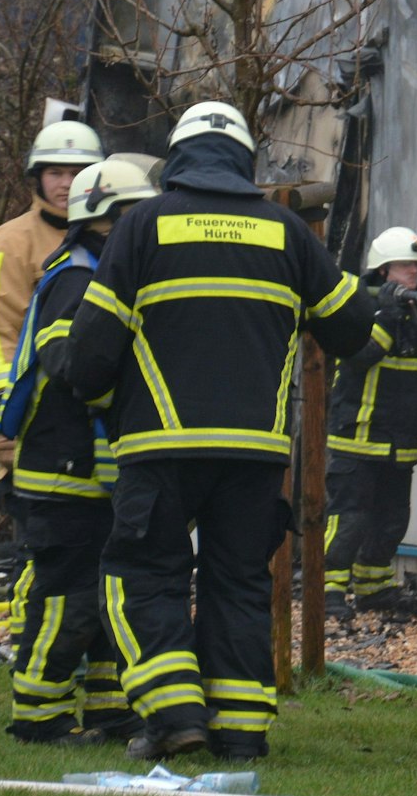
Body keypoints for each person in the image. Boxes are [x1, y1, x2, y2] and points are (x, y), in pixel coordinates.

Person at [55, 100, 374, 761]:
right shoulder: (288, 233)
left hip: (158, 446)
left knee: (143, 574)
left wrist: (92, 393)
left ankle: (173, 715)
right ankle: (241, 729)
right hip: (254, 456)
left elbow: (92, 346)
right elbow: (353, 328)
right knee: (238, 582)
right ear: (242, 161)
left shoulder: (141, 225)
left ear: (177, 157)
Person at [0, 158, 158, 745]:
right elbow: (72, 368)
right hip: (63, 476)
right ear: (101, 221)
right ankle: (37, 716)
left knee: (102, 597)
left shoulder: (105, 274)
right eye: (133, 219)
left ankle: (108, 711)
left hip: (94, 475)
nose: (145, 229)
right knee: (67, 600)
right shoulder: (74, 280)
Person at [0, 119, 104, 639]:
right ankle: (35, 652)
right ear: (37, 176)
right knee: (45, 552)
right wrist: (8, 414)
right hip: (35, 430)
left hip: (97, 432)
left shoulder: (113, 236)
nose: (66, 182)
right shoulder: (11, 242)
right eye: (55, 171)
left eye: (78, 172)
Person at [320, 225, 417, 616]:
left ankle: (373, 588)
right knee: (349, 519)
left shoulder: (415, 314)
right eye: (406, 267)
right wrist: (388, 316)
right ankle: (329, 590)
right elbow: (361, 356)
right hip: (358, 437)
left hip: (400, 440)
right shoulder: (364, 310)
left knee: (392, 520)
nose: (414, 275)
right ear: (384, 271)